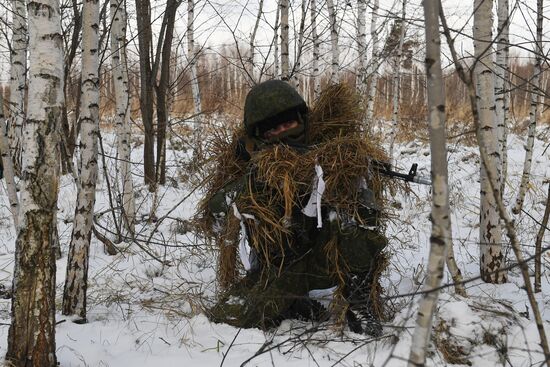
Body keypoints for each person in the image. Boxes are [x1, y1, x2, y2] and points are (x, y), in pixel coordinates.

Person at [206, 80, 388, 335]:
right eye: (274, 129)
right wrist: (258, 180)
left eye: (288, 123)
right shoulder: (249, 166)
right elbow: (216, 211)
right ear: (260, 136)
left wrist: (331, 176)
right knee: (226, 319)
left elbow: (366, 216)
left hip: (325, 257)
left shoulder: (331, 153)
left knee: (351, 208)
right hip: (280, 267)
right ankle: (293, 303)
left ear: (302, 119)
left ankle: (359, 301)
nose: (283, 131)